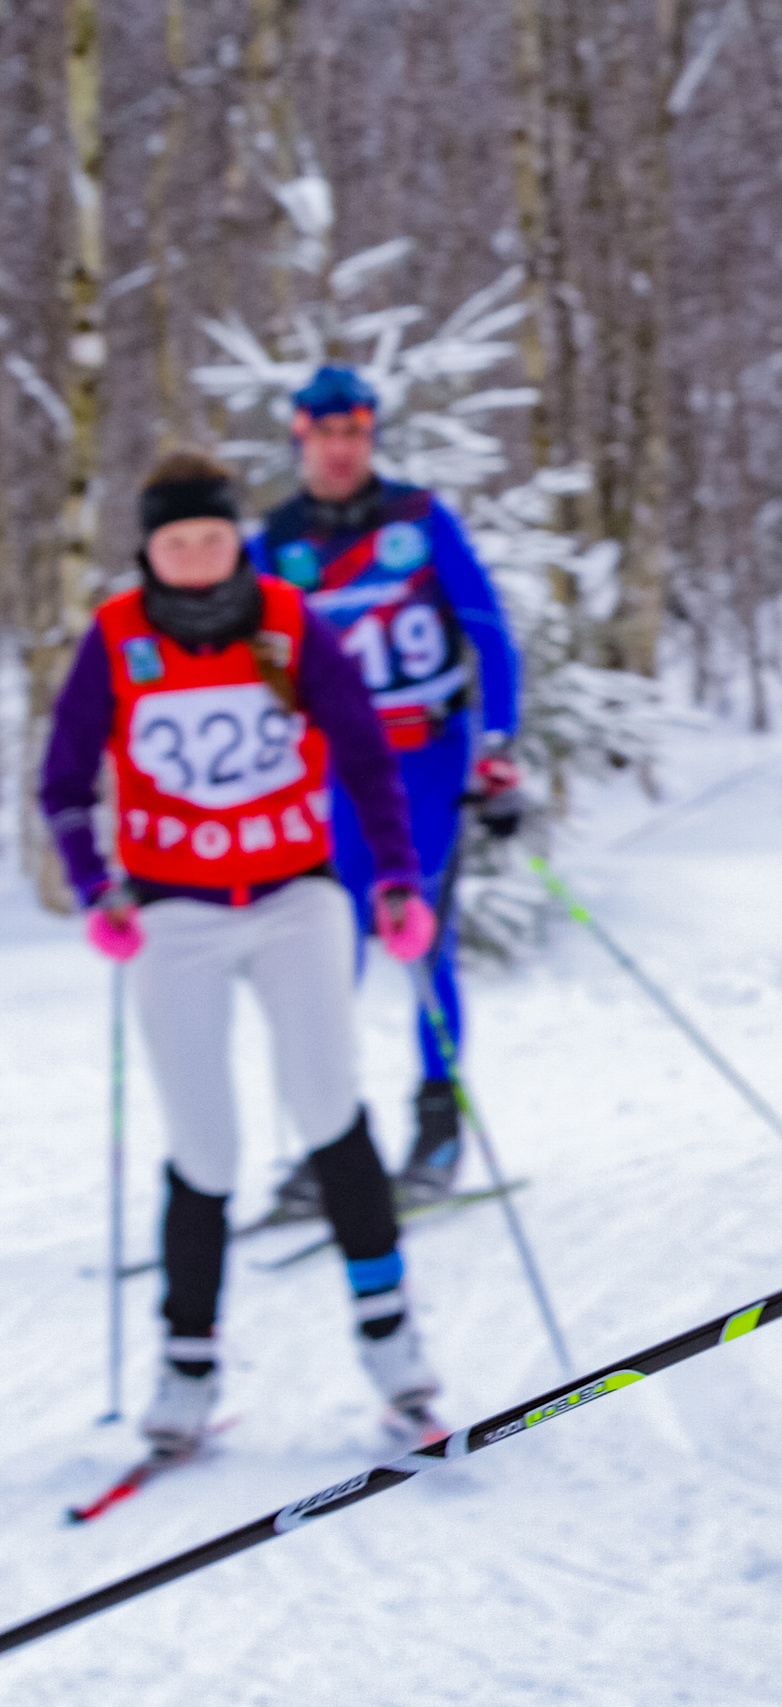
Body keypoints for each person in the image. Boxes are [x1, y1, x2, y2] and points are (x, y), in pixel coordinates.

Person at [42, 451, 448, 1452]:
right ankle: (187, 1366)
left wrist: (395, 876)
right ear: (149, 549)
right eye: (176, 543)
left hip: (293, 899)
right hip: (172, 913)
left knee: (327, 1106)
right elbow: (61, 776)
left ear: (235, 539)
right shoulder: (118, 635)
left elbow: (362, 752)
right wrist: (96, 886)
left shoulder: (283, 617)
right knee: (205, 1144)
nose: (196, 557)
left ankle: (393, 1348)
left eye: (213, 539)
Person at [249, 365, 525, 1210]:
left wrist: (499, 748)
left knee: (421, 940)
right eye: (325, 436)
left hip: (428, 757)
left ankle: (437, 1133)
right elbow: (257, 665)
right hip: (335, 773)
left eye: (355, 435)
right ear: (301, 437)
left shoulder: (416, 517)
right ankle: (337, 1145)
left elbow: (486, 631)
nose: (340, 451)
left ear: (369, 437)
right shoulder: (279, 539)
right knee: (327, 951)